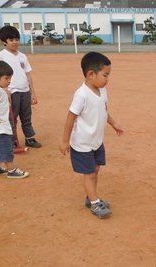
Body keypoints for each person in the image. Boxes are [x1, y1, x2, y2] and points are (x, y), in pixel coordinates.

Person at [60, 52, 123, 219]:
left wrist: (114, 123)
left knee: (95, 170)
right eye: (105, 75)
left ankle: (91, 197)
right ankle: (95, 203)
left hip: (96, 141)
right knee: (89, 174)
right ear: (90, 74)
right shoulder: (81, 95)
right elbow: (70, 118)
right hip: (82, 143)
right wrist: (65, 141)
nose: (108, 79)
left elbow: (104, 111)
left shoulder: (102, 91)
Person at [0, 61, 29, 179]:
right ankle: (11, 170)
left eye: (10, 78)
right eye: (6, 78)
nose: (9, 81)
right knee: (6, 147)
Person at [0, 25, 41, 148]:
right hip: (11, 92)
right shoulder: (1, 56)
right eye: (11, 40)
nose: (15, 42)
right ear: (4, 42)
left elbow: (28, 75)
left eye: (17, 39)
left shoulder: (22, 56)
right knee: (12, 118)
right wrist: (5, 91)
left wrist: (33, 93)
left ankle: (29, 138)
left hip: (25, 91)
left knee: (26, 117)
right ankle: (12, 140)